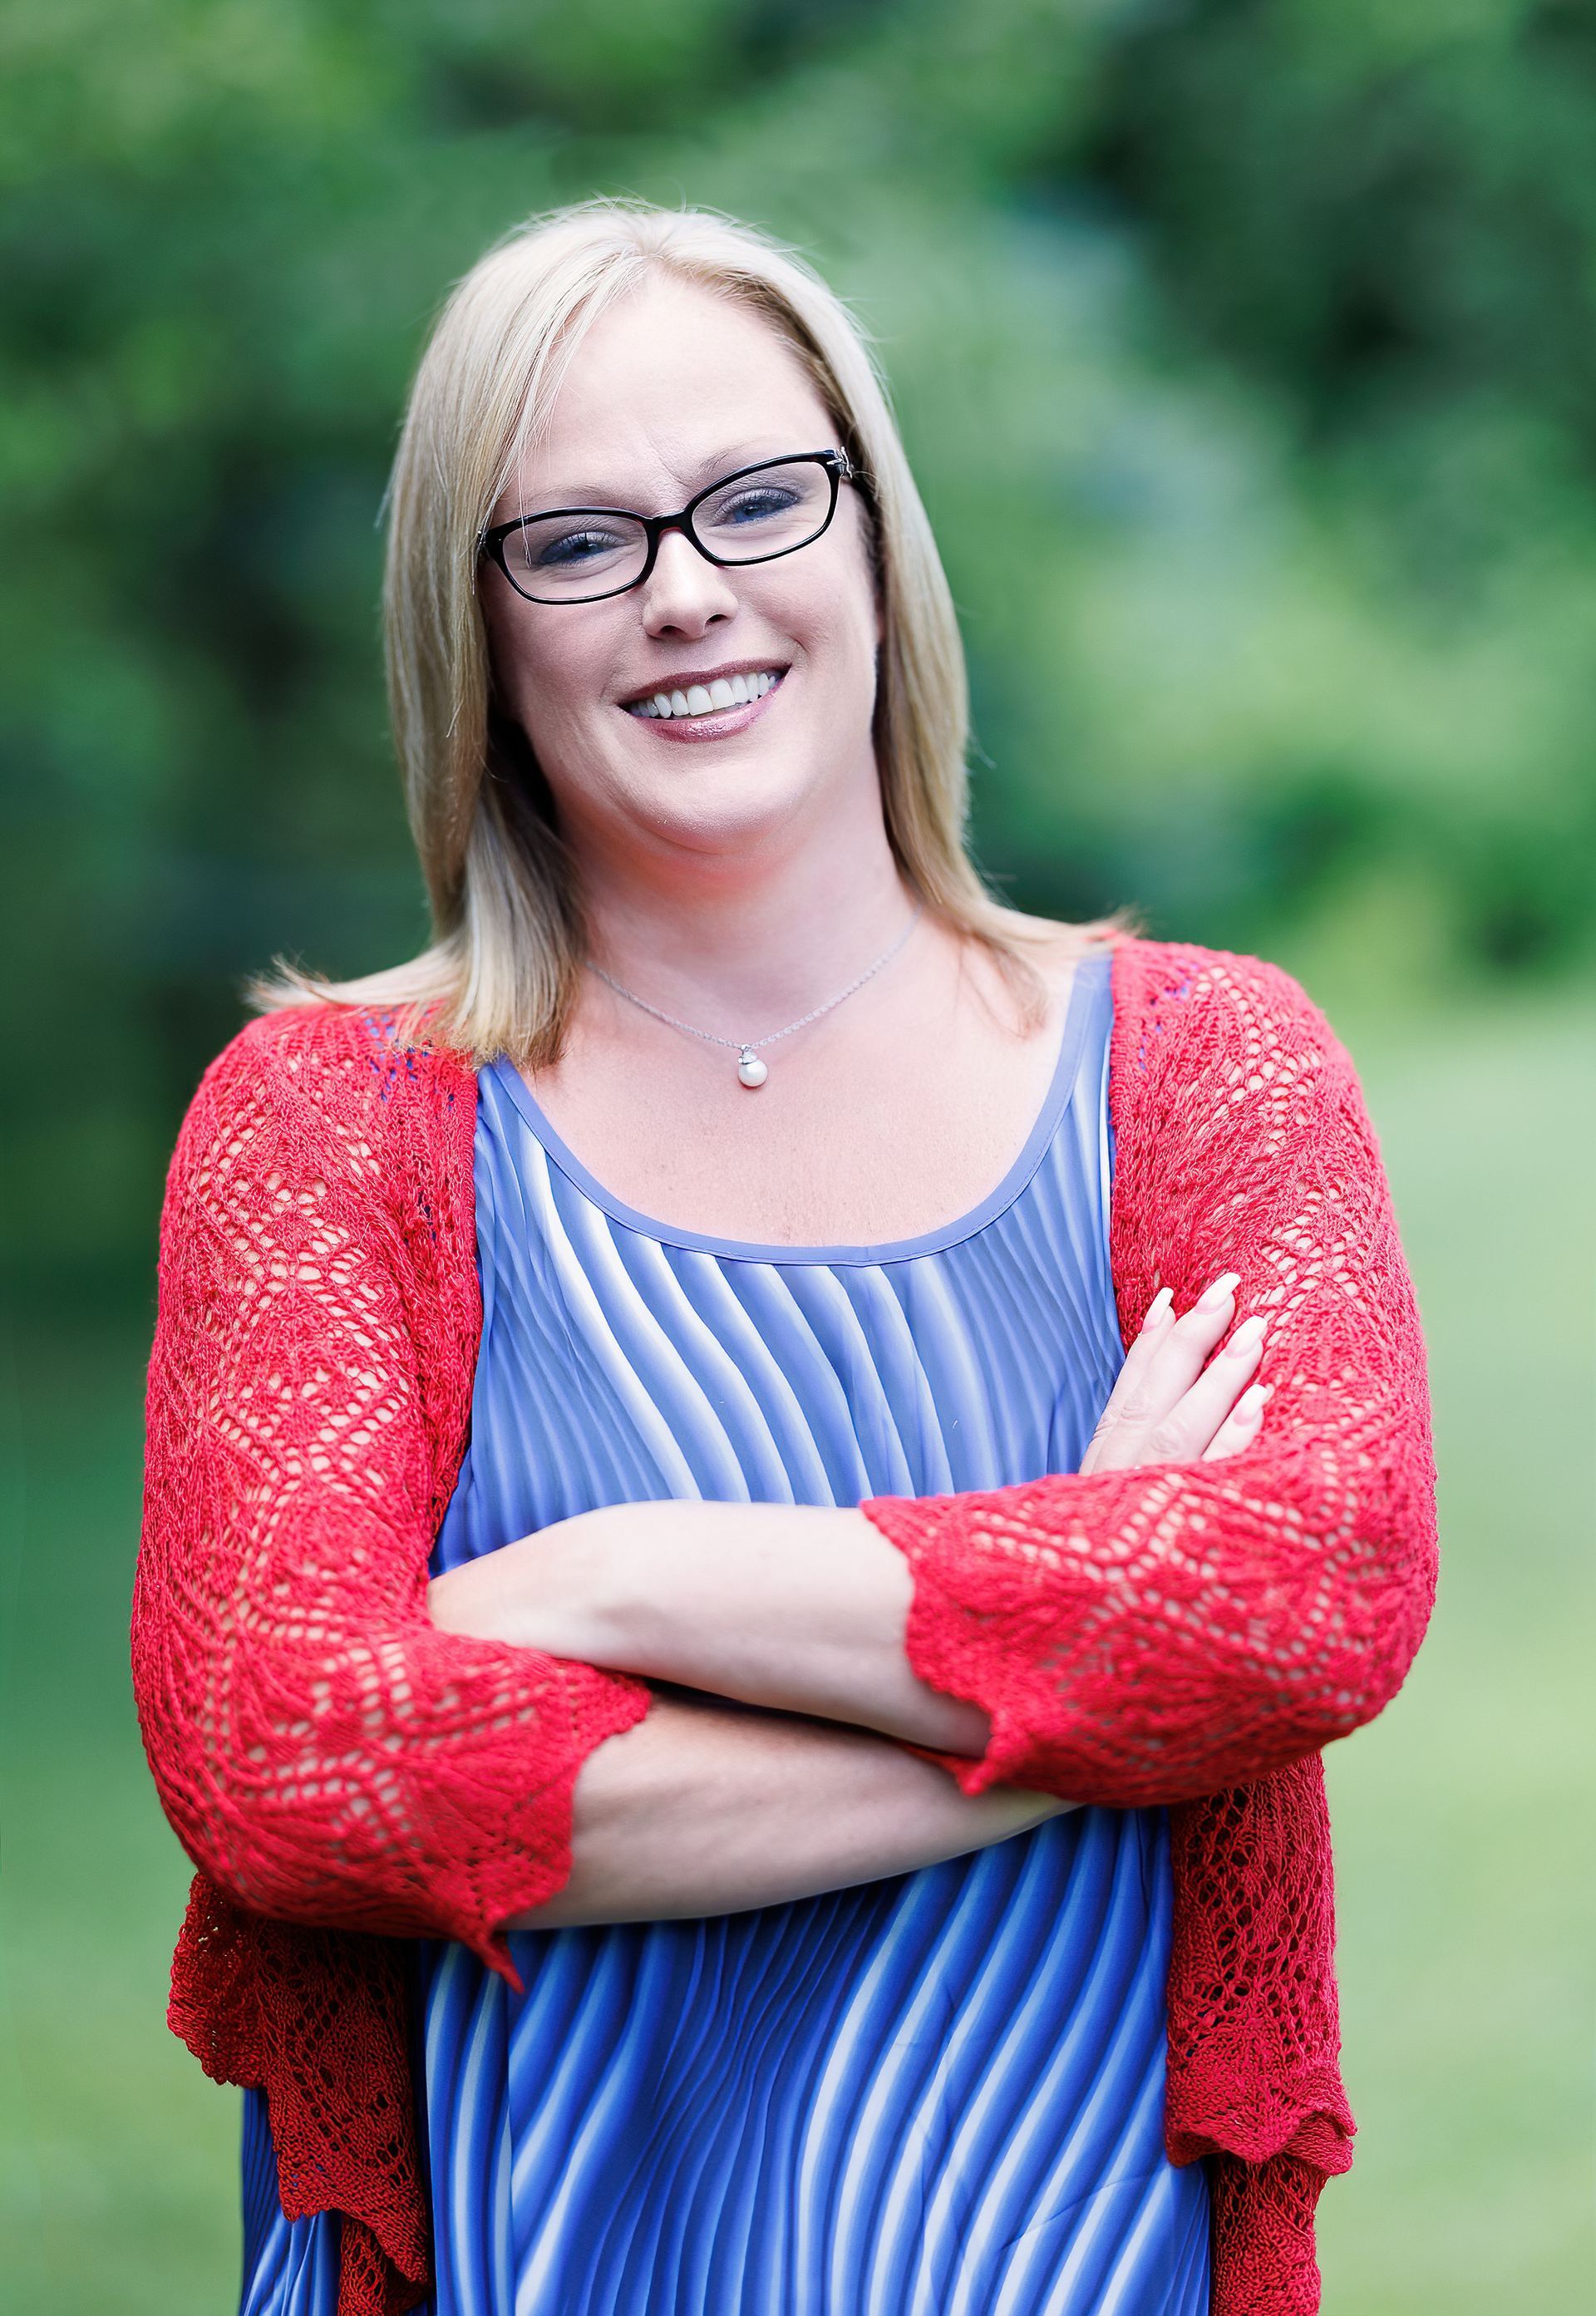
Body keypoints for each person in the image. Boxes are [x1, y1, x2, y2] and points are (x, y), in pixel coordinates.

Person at [131, 199, 1437, 2316]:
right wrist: (1079, 1680)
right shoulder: (328, 1125)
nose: (687, 591)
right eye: (579, 541)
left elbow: (1317, 1591)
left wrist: (614, 1580)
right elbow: (287, 1761)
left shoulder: (1205, 1067)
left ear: (873, 540)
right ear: (477, 625)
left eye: (756, 499)